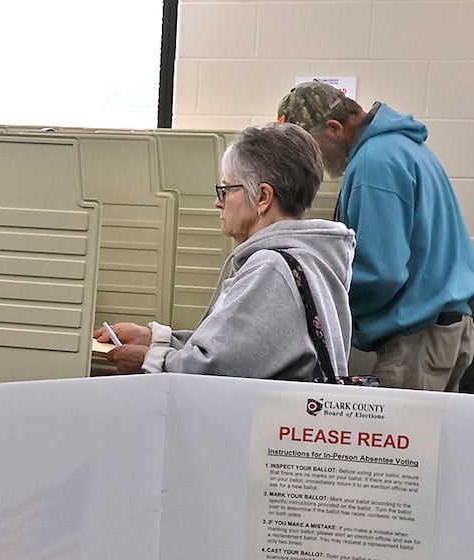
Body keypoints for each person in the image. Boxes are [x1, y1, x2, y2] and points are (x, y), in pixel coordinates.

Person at [99, 123, 354, 380]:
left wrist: (151, 361)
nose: (218, 202)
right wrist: (157, 339)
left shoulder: (271, 269)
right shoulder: (305, 258)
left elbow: (215, 369)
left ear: (262, 198)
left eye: (227, 189)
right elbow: (233, 350)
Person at [277, 80, 474, 391]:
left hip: (417, 340)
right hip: (446, 330)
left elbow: (381, 272)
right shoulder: (404, 146)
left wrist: (319, 299)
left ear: (333, 128)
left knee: (403, 437)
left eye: (310, 148)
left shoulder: (374, 162)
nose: (312, 162)